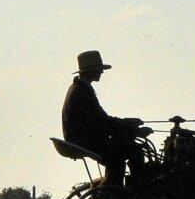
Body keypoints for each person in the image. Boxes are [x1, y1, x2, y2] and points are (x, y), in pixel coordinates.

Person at [62, 50, 152, 187]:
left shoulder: (79, 88)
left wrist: (127, 122)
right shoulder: (82, 92)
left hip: (83, 137)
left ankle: (123, 192)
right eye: (99, 69)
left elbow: (101, 119)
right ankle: (118, 195)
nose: (101, 73)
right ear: (90, 71)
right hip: (84, 140)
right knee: (129, 153)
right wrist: (134, 131)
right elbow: (102, 122)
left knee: (127, 150)